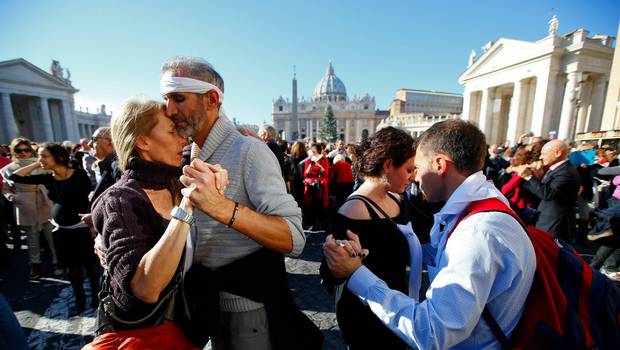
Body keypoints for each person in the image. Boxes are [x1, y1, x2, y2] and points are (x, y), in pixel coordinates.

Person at [323, 119, 536, 349]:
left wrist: (357, 274)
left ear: (440, 164)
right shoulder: (482, 206)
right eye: (410, 169)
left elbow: (432, 332)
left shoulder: (477, 231)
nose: (415, 176)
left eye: (419, 167)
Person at [160, 56, 321, 349]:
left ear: (211, 99)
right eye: (166, 99)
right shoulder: (190, 154)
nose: (169, 110)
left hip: (246, 310)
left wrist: (222, 208)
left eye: (179, 99)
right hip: (204, 304)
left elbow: (295, 238)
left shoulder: (249, 151)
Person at [86, 100, 207, 349]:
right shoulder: (121, 199)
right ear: (143, 142)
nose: (182, 141)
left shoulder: (175, 182)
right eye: (173, 132)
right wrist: (186, 208)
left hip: (188, 328)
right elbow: (145, 289)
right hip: (146, 336)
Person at [320, 126, 420, 350]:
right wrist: (346, 260)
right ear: (388, 165)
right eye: (409, 169)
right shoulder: (353, 210)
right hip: (367, 316)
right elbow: (328, 274)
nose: (413, 177)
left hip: (397, 305)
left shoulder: (398, 198)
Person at [9, 143, 99, 314]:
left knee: (91, 265)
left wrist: (93, 226)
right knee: (72, 269)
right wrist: (37, 163)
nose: (41, 159)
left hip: (82, 228)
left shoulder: (79, 175)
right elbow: (15, 176)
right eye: (39, 156)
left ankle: (96, 297)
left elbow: (90, 200)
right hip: (62, 231)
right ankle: (80, 301)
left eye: (44, 156)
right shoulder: (47, 178)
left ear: (59, 157)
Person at [1, 138, 58, 278]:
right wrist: (13, 198)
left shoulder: (41, 164)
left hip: (44, 201)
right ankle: (35, 265)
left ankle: (58, 262)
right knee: (32, 237)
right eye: (19, 150)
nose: (24, 153)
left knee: (51, 235)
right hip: (26, 203)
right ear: (14, 152)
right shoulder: (8, 168)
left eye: (26, 150)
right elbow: (6, 188)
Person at [519, 139, 580, 241]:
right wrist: (538, 177)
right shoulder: (558, 169)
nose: (541, 157)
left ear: (557, 153)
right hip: (546, 220)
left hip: (555, 226)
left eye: (544, 153)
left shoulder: (566, 172)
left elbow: (548, 194)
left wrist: (529, 177)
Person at [303, 143, 329, 230]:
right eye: (311, 150)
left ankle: (320, 222)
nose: (311, 151)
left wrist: (319, 166)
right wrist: (310, 166)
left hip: (320, 184)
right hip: (310, 184)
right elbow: (305, 174)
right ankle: (311, 222)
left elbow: (326, 173)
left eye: (313, 150)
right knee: (310, 204)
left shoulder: (324, 160)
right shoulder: (309, 160)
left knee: (319, 203)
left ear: (317, 150)